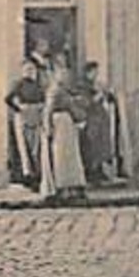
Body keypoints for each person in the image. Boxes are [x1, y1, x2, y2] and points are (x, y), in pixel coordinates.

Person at [39, 61, 88, 201]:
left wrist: (78, 118)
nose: (64, 76)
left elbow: (72, 106)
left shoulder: (65, 90)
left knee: (69, 156)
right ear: (55, 75)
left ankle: (71, 185)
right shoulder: (54, 90)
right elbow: (48, 110)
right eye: (61, 73)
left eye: (66, 74)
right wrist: (48, 127)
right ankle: (61, 187)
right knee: (60, 156)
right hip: (59, 124)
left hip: (67, 125)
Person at [5, 59, 45, 188]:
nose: (30, 72)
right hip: (23, 116)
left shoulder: (38, 86)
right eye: (27, 69)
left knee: (36, 147)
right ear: (22, 71)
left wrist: (40, 107)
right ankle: (26, 175)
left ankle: (37, 174)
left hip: (36, 116)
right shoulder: (18, 84)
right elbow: (8, 98)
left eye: (32, 69)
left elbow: (44, 98)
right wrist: (20, 108)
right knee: (24, 147)